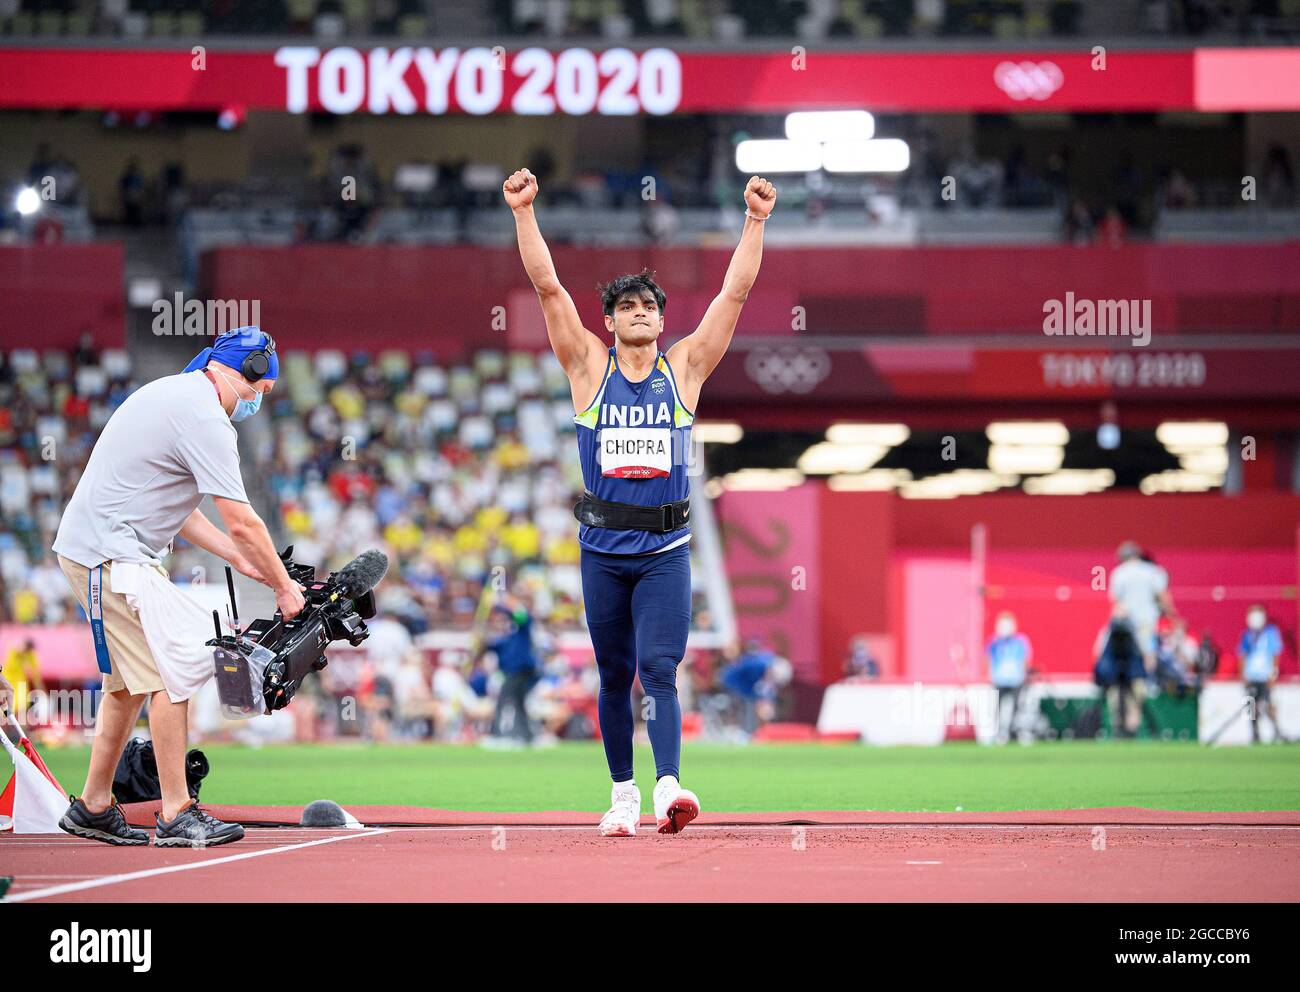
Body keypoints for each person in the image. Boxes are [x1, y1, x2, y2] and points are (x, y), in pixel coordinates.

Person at [505, 166, 775, 836]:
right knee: (612, 672)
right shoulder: (587, 369)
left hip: (664, 551)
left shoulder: (682, 371)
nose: (641, 313)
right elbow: (547, 287)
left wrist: (756, 221)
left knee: (660, 670)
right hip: (602, 549)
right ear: (610, 321)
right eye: (628, 307)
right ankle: (622, 794)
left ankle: (669, 788)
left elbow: (734, 294)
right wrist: (523, 213)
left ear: (660, 320)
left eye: (650, 306)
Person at [50, 327, 306, 847]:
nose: (261, 397)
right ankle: (175, 813)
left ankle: (94, 806)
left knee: (126, 687)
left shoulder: (177, 394)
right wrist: (283, 588)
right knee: (177, 667)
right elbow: (243, 521)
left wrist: (239, 560)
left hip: (101, 550)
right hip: (110, 555)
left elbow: (183, 509)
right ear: (248, 371)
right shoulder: (206, 417)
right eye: (263, 386)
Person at [1109, 541, 1172, 680]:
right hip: (1147, 620)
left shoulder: (1119, 573)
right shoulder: (1153, 571)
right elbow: (1163, 597)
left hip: (1126, 623)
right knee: (1148, 653)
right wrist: (1171, 615)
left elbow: (1117, 603)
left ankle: (1131, 682)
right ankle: (1148, 683)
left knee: (1128, 654)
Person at [482, 595, 539, 745]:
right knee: (518, 703)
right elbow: (487, 645)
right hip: (512, 673)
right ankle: (527, 736)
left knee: (504, 700)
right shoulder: (503, 639)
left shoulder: (521, 629)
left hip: (521, 671)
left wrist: (502, 602)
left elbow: (521, 615)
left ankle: (497, 735)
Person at [1093, 604, 1147, 737]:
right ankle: (1117, 729)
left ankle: (1133, 727)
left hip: (1132, 671)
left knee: (1137, 695)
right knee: (1115, 699)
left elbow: (1142, 651)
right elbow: (1098, 653)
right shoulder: (1106, 632)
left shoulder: (1134, 631)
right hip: (1114, 672)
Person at [1237, 605, 1289, 744]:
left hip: (1265, 676)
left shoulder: (1271, 633)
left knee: (1267, 705)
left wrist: (1273, 674)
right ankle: (1255, 734)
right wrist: (1243, 675)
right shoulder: (1247, 635)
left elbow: (1275, 655)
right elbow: (1242, 655)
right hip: (1251, 677)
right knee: (1250, 707)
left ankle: (1277, 731)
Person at [986, 611, 1032, 744]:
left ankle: (1014, 732)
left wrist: (1024, 675)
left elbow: (1025, 659)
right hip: (999, 680)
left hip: (1016, 680)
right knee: (997, 709)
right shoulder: (994, 642)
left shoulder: (1020, 641)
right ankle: (998, 733)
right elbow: (988, 659)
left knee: (1016, 708)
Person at [1, 638, 43, 716]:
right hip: (8, 678)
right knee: (7, 703)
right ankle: (7, 719)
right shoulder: (13, 650)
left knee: (21, 703)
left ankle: (16, 722)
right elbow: (9, 665)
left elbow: (36, 674)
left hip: (19, 681)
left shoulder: (30, 655)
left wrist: (41, 689)